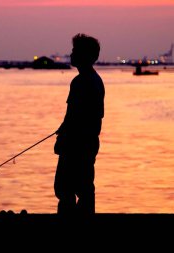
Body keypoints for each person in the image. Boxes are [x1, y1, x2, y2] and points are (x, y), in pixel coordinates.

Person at [54, 33, 105, 215]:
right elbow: (93, 117)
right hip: (88, 142)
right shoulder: (96, 80)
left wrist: (63, 138)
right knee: (84, 189)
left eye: (75, 51)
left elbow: (73, 116)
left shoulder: (81, 82)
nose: (71, 54)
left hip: (76, 144)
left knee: (64, 188)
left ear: (85, 56)